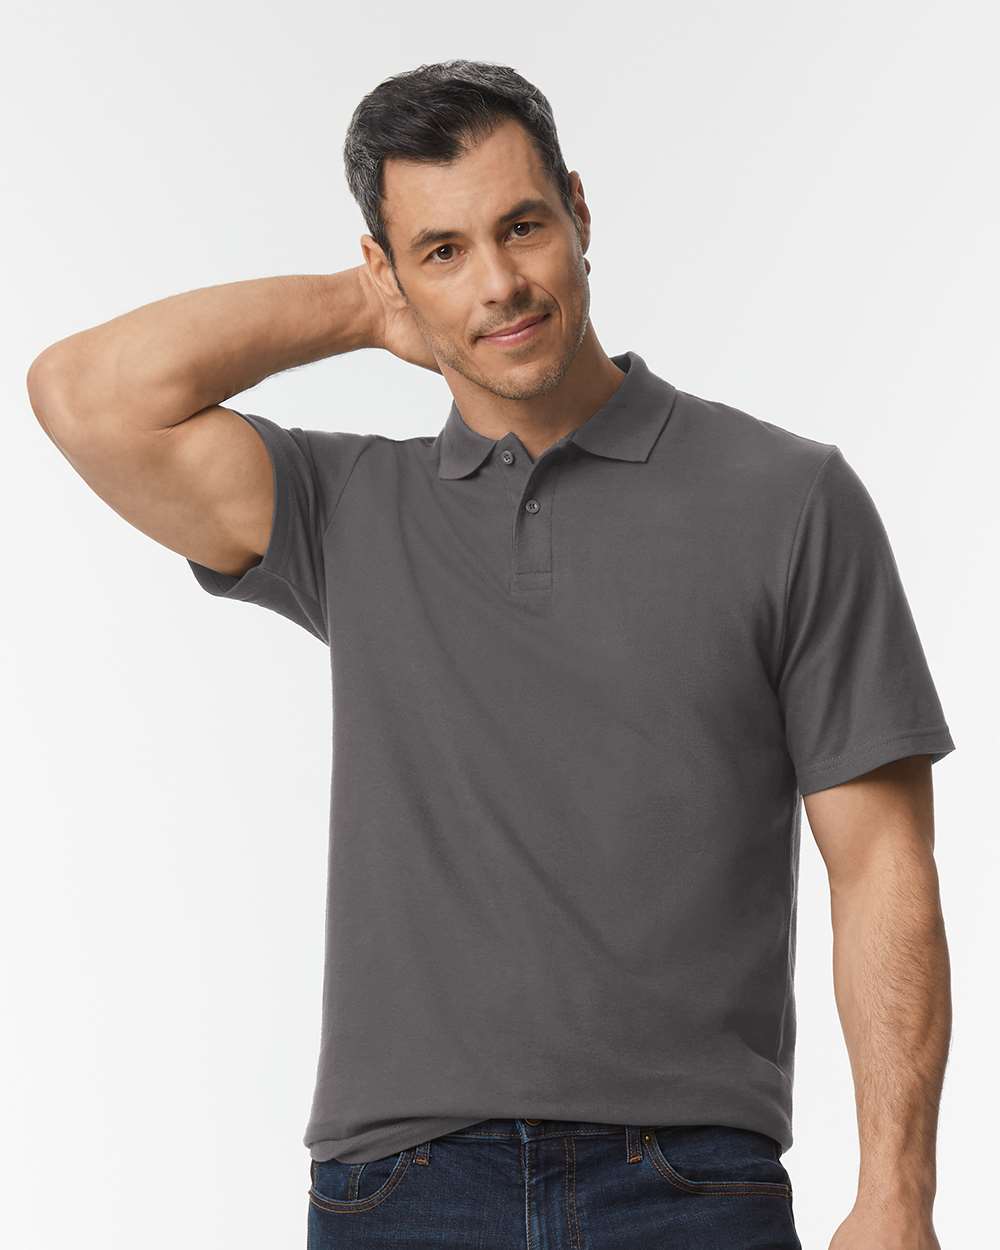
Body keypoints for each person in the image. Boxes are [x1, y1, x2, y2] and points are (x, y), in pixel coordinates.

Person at [27, 58, 955, 1250]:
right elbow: (82, 395)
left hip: (687, 1180)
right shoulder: (347, 508)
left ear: (579, 211)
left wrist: (895, 1192)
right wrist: (362, 308)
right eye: (442, 251)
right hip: (401, 1184)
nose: (500, 284)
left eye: (521, 227)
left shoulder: (789, 496)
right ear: (391, 270)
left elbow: (881, 863)